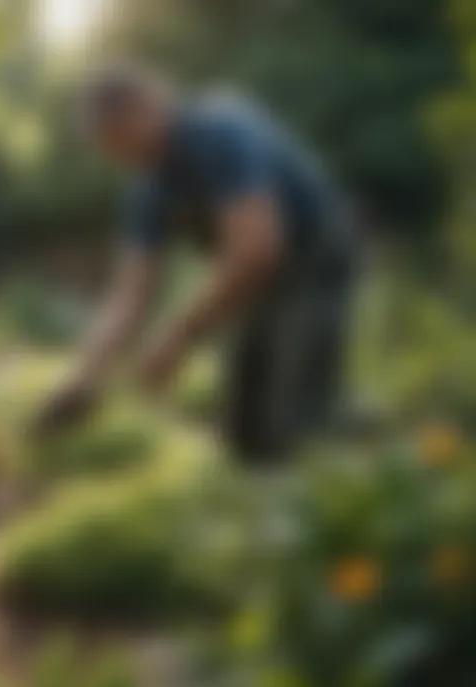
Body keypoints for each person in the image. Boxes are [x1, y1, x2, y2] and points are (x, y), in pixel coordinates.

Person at [32, 65, 359, 464]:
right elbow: (130, 295)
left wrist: (175, 339)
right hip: (258, 278)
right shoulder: (147, 188)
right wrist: (80, 383)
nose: (115, 157)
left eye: (116, 139)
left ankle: (338, 469)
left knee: (295, 420)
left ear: (147, 109)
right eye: (106, 147)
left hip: (314, 257)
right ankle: (268, 497)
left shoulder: (220, 132)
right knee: (245, 432)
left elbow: (256, 249)